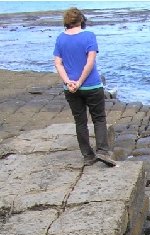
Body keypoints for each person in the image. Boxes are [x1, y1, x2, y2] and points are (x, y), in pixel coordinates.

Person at [53, 7, 115, 166]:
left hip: (71, 89)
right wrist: (80, 81)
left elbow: (58, 64)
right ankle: (102, 151)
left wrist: (68, 82)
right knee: (99, 119)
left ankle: (88, 156)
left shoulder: (60, 39)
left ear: (66, 21)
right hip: (92, 86)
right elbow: (90, 62)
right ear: (81, 20)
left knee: (80, 122)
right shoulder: (89, 36)